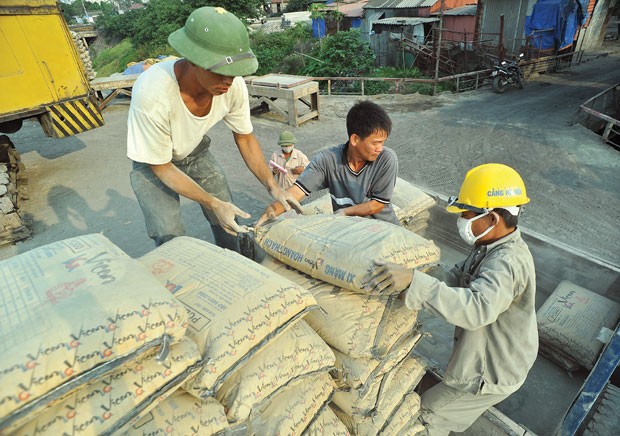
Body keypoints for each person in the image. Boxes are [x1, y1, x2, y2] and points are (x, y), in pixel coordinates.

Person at [364, 163, 538, 435]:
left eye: (467, 214)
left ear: (492, 219)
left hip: (490, 372)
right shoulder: (489, 246)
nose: (462, 221)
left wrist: (415, 282)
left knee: (425, 416)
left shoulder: (507, 262)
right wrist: (415, 272)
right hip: (488, 352)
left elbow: (477, 309)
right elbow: (457, 278)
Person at [126, 6, 301, 251]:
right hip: (153, 162)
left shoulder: (232, 86)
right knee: (168, 232)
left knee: (228, 216)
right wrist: (211, 202)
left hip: (195, 151)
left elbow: (245, 138)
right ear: (193, 61)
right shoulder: (153, 92)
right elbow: (162, 167)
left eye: (234, 73)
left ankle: (236, 261)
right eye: (221, 73)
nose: (228, 81)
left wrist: (274, 186)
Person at [258, 100, 399, 225]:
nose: (379, 149)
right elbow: (296, 192)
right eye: (375, 143)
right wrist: (273, 209)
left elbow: (378, 204)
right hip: (351, 232)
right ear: (355, 139)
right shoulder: (327, 161)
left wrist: (344, 212)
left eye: (382, 143)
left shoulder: (386, 159)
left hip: (384, 230)